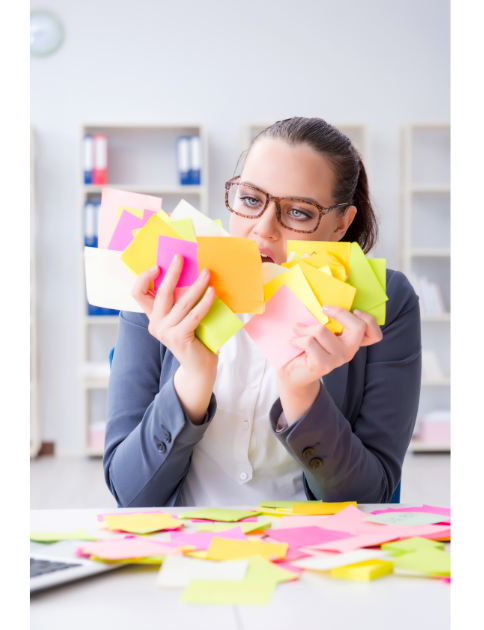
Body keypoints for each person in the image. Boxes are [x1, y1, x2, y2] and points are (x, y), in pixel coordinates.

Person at [103, 117, 422, 507]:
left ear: (341, 223)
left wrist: (301, 394)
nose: (263, 230)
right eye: (251, 200)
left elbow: (370, 497)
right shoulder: (161, 283)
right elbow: (129, 494)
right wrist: (193, 379)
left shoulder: (387, 300)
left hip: (313, 554)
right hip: (184, 548)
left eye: (299, 213)